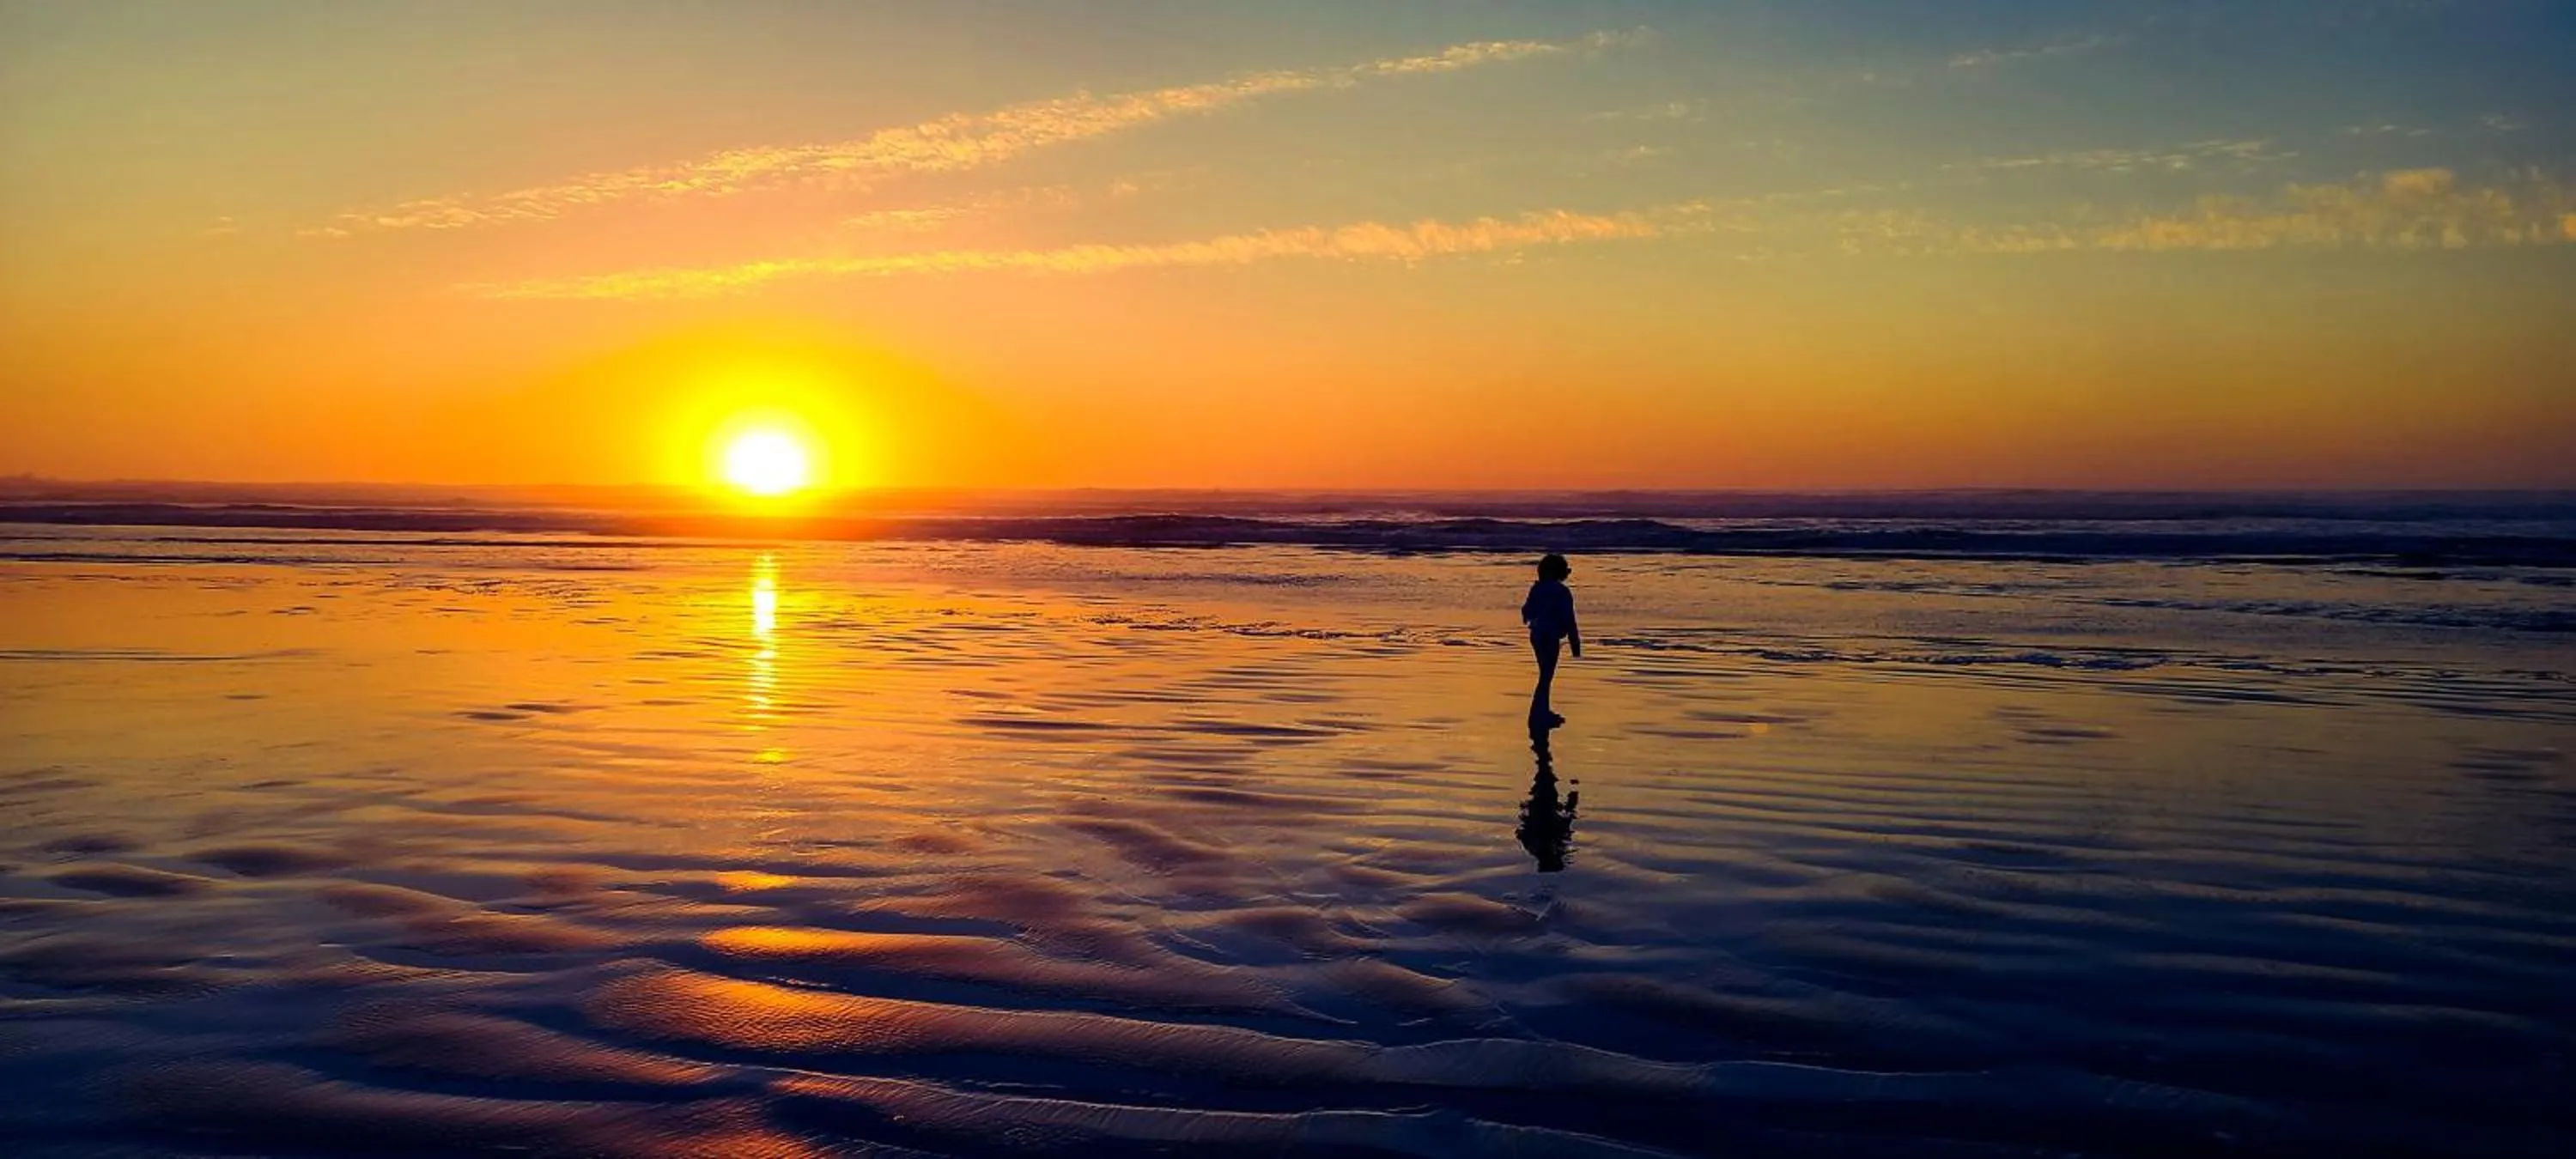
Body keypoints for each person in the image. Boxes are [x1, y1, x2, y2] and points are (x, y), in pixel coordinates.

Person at [1522, 553, 1580, 729]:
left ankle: (1542, 711)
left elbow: (1526, 612)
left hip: (1537, 634)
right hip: (1551, 636)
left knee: (1544, 673)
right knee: (1547, 675)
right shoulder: (1562, 591)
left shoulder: (1537, 589)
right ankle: (1538, 713)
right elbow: (1569, 619)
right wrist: (1575, 644)